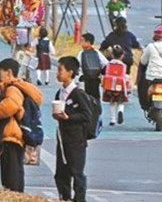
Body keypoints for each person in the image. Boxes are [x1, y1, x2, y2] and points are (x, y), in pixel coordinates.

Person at [0, 58, 43, 192]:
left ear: (8, 73)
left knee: (11, 175)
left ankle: (15, 197)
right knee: (15, 172)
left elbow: (9, 106)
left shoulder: (13, 89)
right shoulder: (18, 87)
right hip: (16, 136)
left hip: (11, 136)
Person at [54, 56, 92, 202]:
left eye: (60, 70)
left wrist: (68, 117)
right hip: (62, 138)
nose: (57, 73)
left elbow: (86, 115)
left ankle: (80, 199)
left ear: (70, 73)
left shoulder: (78, 94)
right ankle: (64, 197)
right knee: (61, 173)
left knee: (76, 172)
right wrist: (58, 116)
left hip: (76, 140)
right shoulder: (60, 93)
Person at [103, 45, 129, 126]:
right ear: (122, 56)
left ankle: (112, 119)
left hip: (109, 86)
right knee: (120, 102)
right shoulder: (123, 65)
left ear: (112, 55)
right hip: (120, 85)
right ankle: (120, 111)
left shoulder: (108, 64)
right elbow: (125, 76)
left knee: (112, 102)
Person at [77, 33, 108, 100]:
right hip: (95, 78)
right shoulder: (97, 52)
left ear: (88, 42)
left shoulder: (81, 53)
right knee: (96, 96)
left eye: (82, 41)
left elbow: (77, 65)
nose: (80, 42)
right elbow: (106, 63)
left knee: (84, 97)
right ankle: (96, 108)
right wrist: (100, 72)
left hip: (84, 78)